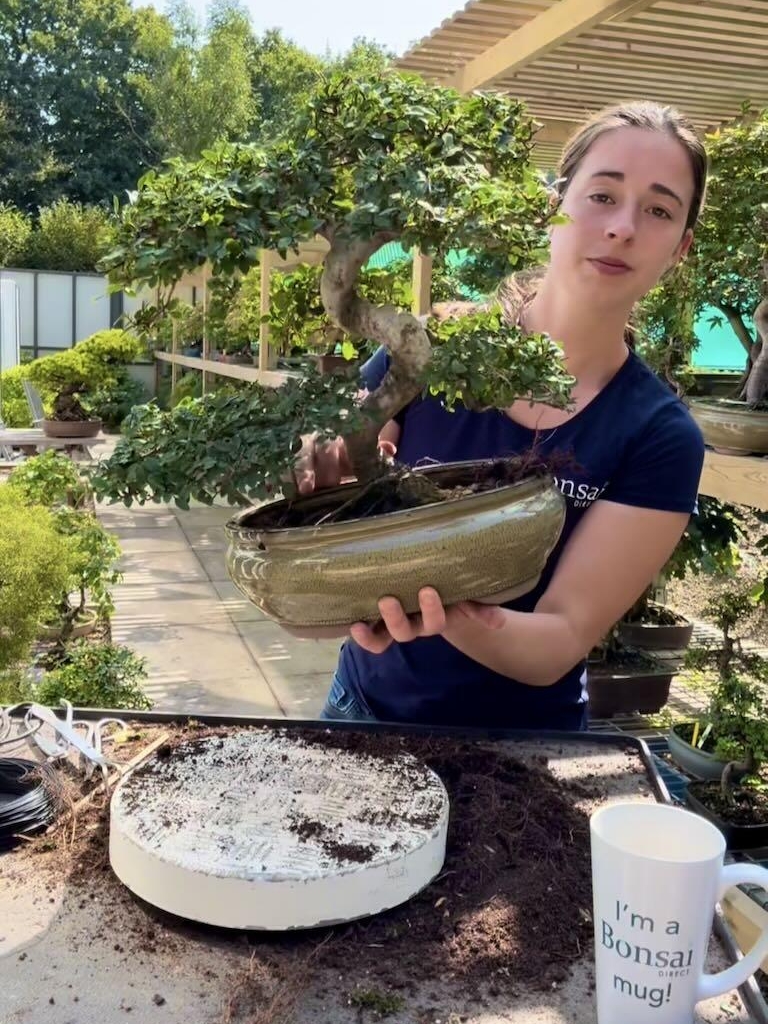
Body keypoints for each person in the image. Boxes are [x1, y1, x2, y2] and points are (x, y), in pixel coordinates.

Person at [298, 101, 707, 731]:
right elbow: (315, 588)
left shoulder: (658, 434)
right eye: (603, 195)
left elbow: (559, 638)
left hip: (523, 742)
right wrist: (321, 470)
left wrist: (437, 595)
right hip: (364, 709)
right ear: (553, 205)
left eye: (658, 209)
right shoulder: (426, 350)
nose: (624, 226)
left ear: (679, 248)